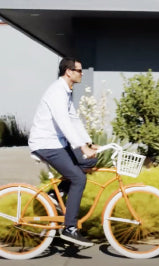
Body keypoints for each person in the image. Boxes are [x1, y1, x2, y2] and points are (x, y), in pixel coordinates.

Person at [28, 57, 98, 247]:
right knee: (78, 178)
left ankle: (54, 194)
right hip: (46, 143)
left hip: (56, 142)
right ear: (69, 72)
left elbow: (73, 119)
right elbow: (63, 122)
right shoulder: (57, 92)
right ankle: (69, 228)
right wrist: (81, 147)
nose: (82, 73)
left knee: (89, 162)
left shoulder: (66, 91)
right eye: (79, 70)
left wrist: (88, 143)